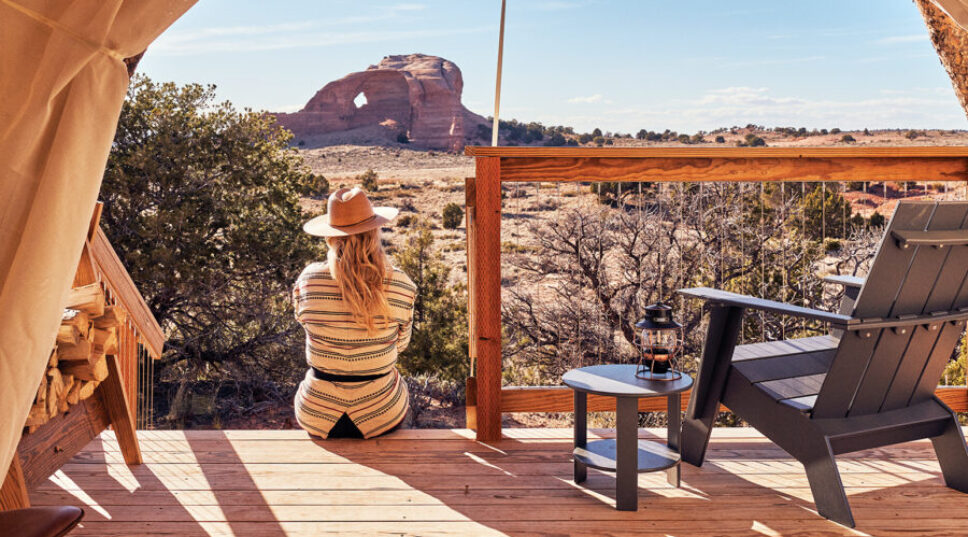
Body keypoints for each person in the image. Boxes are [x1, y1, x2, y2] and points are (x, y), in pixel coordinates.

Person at [292, 187, 416, 439]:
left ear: (330, 237)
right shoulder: (401, 284)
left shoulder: (308, 280)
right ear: (374, 232)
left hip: (317, 411)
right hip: (381, 411)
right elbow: (400, 345)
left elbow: (304, 323)